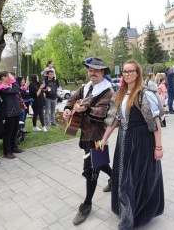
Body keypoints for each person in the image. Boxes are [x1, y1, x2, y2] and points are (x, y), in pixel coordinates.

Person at [102, 60, 164, 230]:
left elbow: (155, 122)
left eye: (131, 71)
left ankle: (130, 219)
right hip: (124, 141)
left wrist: (158, 147)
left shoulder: (145, 94)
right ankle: (126, 212)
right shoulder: (120, 94)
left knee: (134, 178)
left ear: (138, 73)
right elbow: (114, 119)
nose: (127, 74)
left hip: (142, 141)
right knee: (122, 177)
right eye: (125, 71)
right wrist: (105, 137)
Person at [62, 57, 114, 226]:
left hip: (98, 136)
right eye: (90, 70)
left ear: (102, 72)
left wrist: (88, 108)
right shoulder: (85, 87)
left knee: (91, 169)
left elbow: (101, 112)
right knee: (98, 162)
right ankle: (115, 179)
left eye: (96, 70)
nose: (92, 73)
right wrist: (68, 109)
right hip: (85, 135)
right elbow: (71, 99)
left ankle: (87, 204)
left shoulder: (108, 91)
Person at [0, 71, 23, 159]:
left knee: (14, 131)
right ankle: (7, 152)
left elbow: (16, 91)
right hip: (9, 113)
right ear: (3, 77)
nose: (10, 78)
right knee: (8, 133)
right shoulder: (1, 88)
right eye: (9, 76)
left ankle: (13, 147)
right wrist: (14, 80)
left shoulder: (9, 86)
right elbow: (16, 90)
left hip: (16, 112)